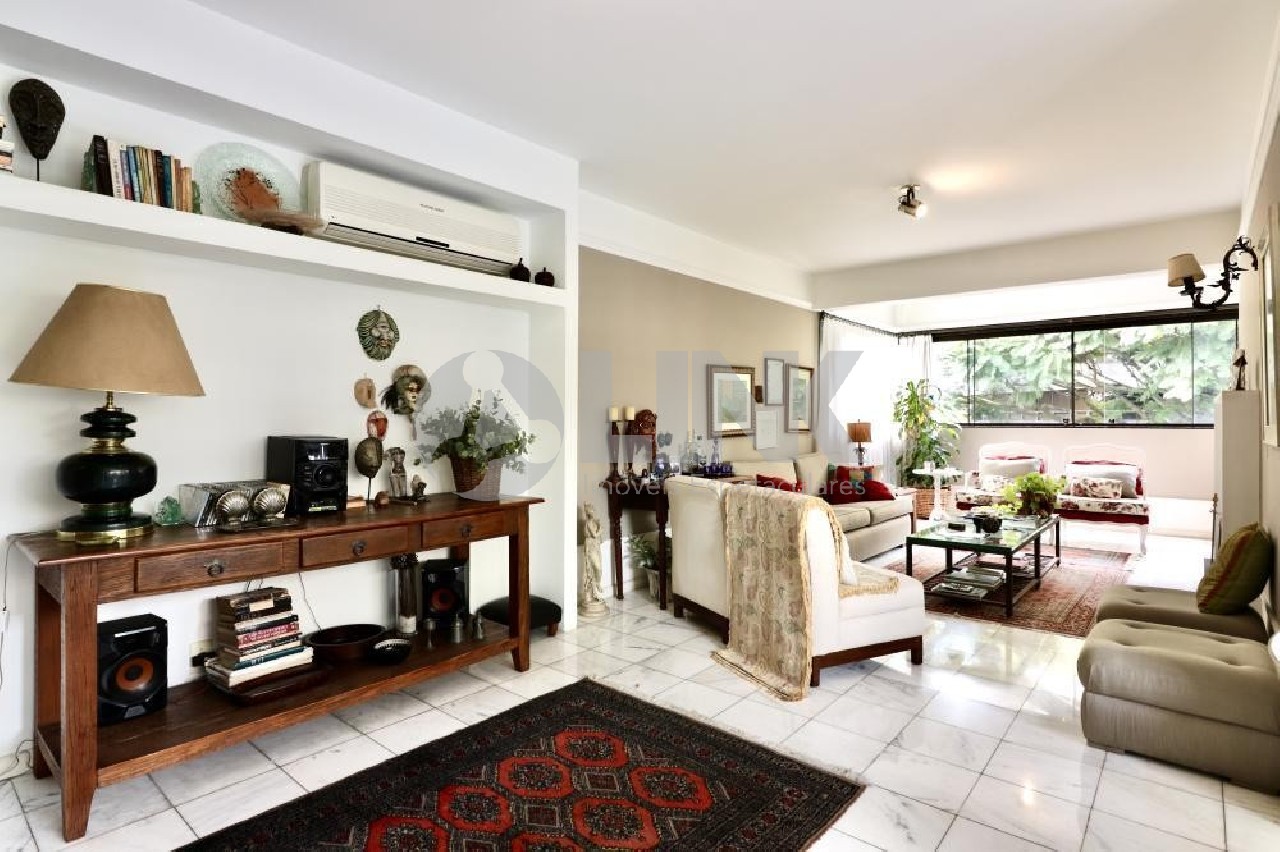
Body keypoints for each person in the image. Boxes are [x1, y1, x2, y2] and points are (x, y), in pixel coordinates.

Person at [579, 504, 608, 617]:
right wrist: (601, 528)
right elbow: (595, 535)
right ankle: (596, 586)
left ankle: (596, 587)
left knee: (598, 567)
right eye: (589, 511)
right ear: (587, 512)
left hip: (595, 546)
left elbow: (598, 538)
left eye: (591, 510)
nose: (591, 512)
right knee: (596, 567)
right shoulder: (589, 522)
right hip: (590, 547)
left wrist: (599, 526)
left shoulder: (594, 522)